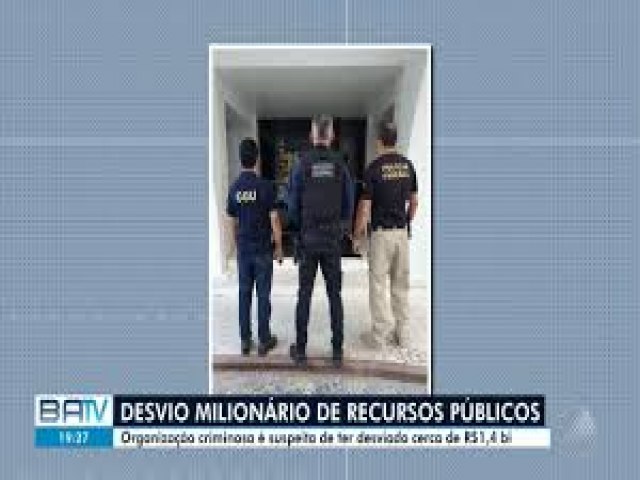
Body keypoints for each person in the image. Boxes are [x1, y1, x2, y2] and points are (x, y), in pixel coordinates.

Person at [287, 115, 354, 367]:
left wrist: (299, 230)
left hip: (308, 239)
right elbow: (348, 203)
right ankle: (337, 351)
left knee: (304, 295)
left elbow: (292, 205)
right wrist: (341, 227)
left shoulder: (301, 165)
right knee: (334, 295)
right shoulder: (341, 166)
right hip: (332, 240)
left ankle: (301, 350)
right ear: (332, 136)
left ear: (312, 136)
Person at [353, 121, 418, 348]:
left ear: (379, 141)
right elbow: (414, 202)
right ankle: (403, 334)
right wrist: (406, 222)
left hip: (381, 236)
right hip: (401, 234)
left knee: (379, 286)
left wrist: (357, 234)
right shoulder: (408, 166)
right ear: (395, 139)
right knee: (401, 285)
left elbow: (365, 208)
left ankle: (380, 337)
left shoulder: (374, 168)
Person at [226, 138, 283, 356]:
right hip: (262, 250)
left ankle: (245, 340)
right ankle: (264, 340)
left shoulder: (234, 189)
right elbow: (274, 220)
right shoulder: (265, 187)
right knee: (263, 295)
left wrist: (237, 245)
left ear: (240, 159)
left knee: (244, 294)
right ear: (257, 159)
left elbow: (232, 222)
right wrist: (279, 246)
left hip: (244, 250)